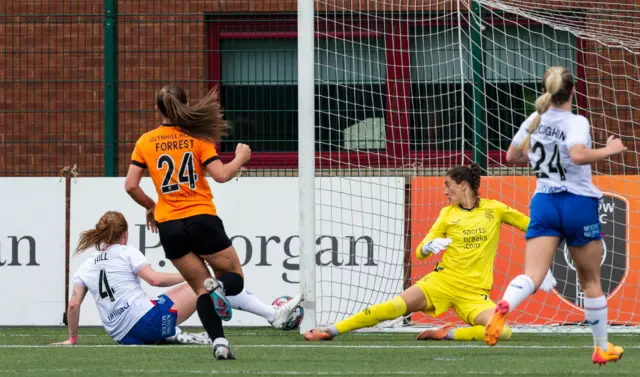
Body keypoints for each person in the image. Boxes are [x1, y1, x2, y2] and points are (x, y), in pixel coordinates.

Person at [124, 84, 303, 359]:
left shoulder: (145, 142)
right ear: (186, 105)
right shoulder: (197, 137)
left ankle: (219, 342)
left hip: (169, 226)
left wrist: (151, 206)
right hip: (201, 218)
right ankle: (221, 290)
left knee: (200, 289)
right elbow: (220, 175)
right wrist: (241, 158)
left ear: (157, 110)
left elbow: (131, 186)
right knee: (234, 280)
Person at [304, 163, 556, 342]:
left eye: (448, 185)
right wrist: (428, 246)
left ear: (464, 185)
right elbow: (420, 252)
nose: (445, 192)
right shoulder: (447, 214)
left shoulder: (495, 210)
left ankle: (446, 333)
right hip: (441, 283)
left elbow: (533, 227)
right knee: (393, 307)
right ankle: (332, 330)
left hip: (474, 294)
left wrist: (538, 269)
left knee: (502, 332)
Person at [485, 66, 627, 365]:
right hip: (577, 203)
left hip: (544, 203)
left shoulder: (535, 119)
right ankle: (601, 347)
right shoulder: (576, 121)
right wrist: (609, 149)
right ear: (572, 91)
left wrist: (537, 154)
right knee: (590, 280)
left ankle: (505, 304)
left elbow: (512, 156)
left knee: (533, 274)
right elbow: (577, 154)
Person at [55, 211, 302, 346]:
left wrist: (73, 339)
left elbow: (74, 305)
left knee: (192, 290)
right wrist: (191, 275)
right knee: (205, 284)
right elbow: (155, 280)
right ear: (124, 234)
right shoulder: (126, 251)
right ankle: (273, 315)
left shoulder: (85, 267)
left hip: (124, 338)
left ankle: (173, 334)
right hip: (149, 322)